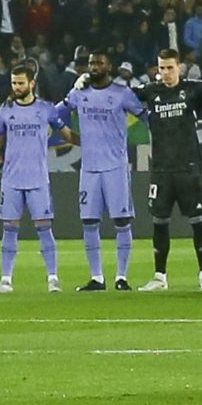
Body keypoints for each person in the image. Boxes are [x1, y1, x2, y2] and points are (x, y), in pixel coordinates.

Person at [134, 48, 202, 291]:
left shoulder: (194, 89)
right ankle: (160, 277)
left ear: (180, 67)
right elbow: (118, 96)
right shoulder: (149, 92)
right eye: (161, 68)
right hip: (161, 169)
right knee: (159, 221)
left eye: (170, 68)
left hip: (188, 167)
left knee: (198, 220)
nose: (166, 73)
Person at [0, 60, 68, 292]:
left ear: (32, 83)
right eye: (14, 83)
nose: (16, 87)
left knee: (44, 228)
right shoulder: (6, 110)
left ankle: (53, 278)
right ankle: (5, 280)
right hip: (11, 179)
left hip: (37, 179)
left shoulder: (46, 109)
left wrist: (88, 142)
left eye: (21, 83)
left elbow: (65, 134)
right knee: (9, 228)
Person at [69, 51, 145, 290]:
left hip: (115, 167)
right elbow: (54, 115)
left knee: (121, 220)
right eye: (91, 63)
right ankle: (97, 277)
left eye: (99, 63)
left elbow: (146, 116)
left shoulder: (122, 94)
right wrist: (69, 136)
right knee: (89, 221)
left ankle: (121, 277)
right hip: (89, 168)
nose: (94, 67)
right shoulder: (79, 94)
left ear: (109, 66)